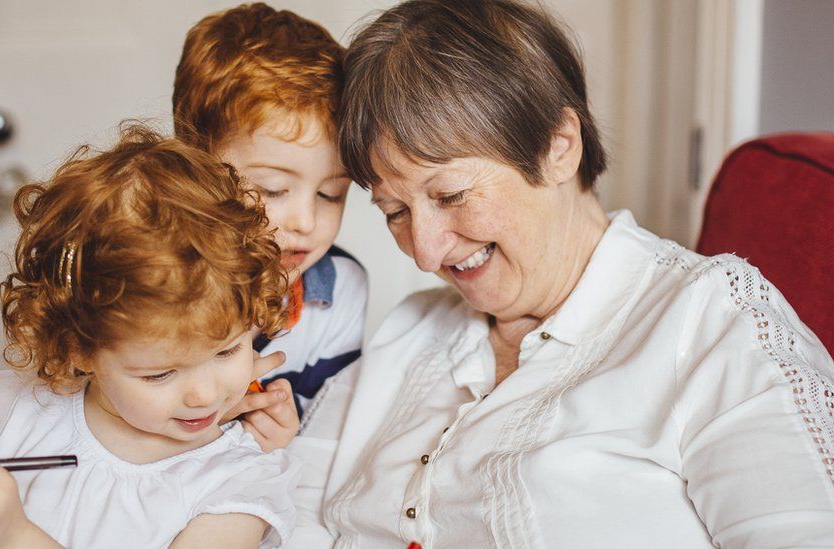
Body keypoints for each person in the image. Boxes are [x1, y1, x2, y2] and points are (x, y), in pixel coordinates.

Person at [291, 1, 834, 547]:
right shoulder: (409, 331)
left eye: (450, 194)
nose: (426, 255)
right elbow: (288, 517)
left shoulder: (712, 327)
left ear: (559, 147)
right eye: (395, 212)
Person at [0, 125, 300, 549]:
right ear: (78, 347)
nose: (204, 394)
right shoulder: (8, 417)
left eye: (227, 350)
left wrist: (14, 538)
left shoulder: (235, 485)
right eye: (159, 374)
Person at [172, 3, 368, 421]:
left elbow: (321, 439)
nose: (306, 222)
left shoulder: (339, 291)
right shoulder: (142, 273)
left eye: (331, 194)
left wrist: (279, 440)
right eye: (272, 189)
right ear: (195, 164)